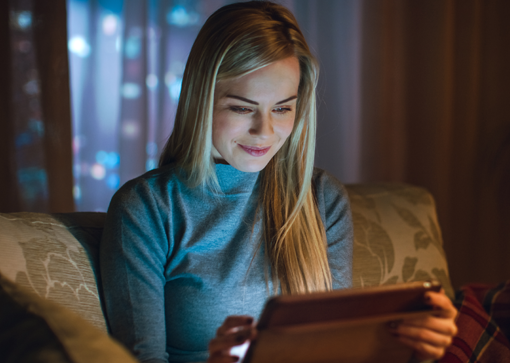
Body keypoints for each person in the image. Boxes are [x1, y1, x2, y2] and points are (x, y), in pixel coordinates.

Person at [99, 2, 458, 363]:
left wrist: (410, 350)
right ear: (200, 99)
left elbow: (336, 352)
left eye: (283, 108)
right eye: (242, 108)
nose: (264, 132)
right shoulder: (147, 208)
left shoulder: (322, 198)